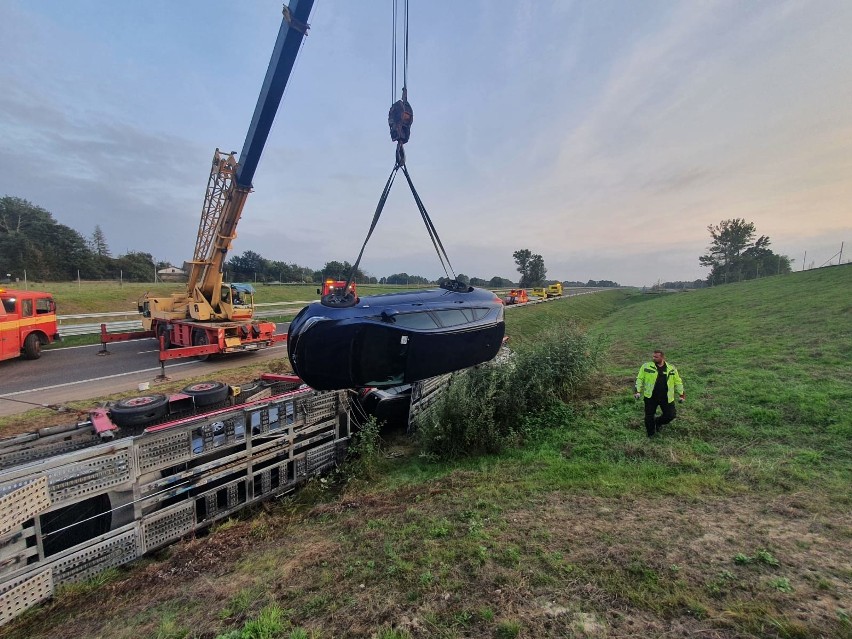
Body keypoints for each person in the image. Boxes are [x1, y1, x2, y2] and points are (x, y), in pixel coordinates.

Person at [634, 349, 684, 437]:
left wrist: (681, 394)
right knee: (649, 416)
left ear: (662, 357)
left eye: (656, 357)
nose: (654, 358)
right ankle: (651, 434)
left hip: (667, 397)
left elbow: (678, 382)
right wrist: (637, 391)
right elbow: (639, 379)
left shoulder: (671, 368)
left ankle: (658, 422)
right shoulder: (646, 366)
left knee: (671, 415)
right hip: (650, 397)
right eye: (653, 356)